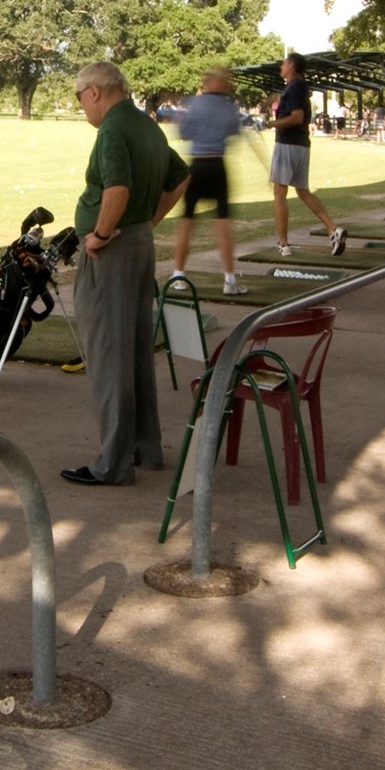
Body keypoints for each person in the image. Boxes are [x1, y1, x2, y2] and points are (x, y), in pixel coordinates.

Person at [63, 61, 188, 488]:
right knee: (134, 351)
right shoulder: (147, 126)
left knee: (108, 356)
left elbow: (117, 189)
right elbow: (180, 177)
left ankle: (112, 463)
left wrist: (99, 234)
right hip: (139, 244)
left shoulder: (113, 129)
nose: (82, 109)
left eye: (80, 99)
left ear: (94, 92)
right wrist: (149, 221)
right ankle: (143, 448)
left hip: (112, 252)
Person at [169, 66, 248, 296]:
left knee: (187, 222)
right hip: (217, 166)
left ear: (208, 83)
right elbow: (234, 132)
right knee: (223, 223)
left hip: (197, 166)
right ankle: (230, 280)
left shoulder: (195, 104)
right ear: (223, 84)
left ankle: (178, 275)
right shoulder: (228, 108)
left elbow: (184, 131)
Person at [270, 52, 347, 257]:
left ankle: (283, 244)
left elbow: (297, 117)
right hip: (302, 145)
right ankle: (333, 230)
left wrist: (271, 123)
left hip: (288, 144)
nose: (281, 66)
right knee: (303, 191)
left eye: (284, 63)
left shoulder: (294, 87)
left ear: (293, 66)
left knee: (279, 193)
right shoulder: (299, 88)